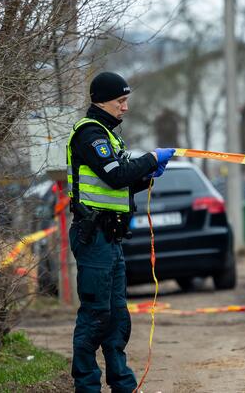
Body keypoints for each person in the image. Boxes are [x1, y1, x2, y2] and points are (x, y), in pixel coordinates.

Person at [66, 71, 175, 392]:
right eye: (121, 101)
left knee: (117, 319)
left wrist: (149, 173)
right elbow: (115, 176)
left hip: (111, 239)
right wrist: (150, 158)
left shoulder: (110, 136)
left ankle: (123, 385)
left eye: (126, 101)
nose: (125, 108)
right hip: (93, 237)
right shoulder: (91, 134)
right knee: (96, 316)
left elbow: (123, 181)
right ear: (102, 101)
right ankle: (86, 387)